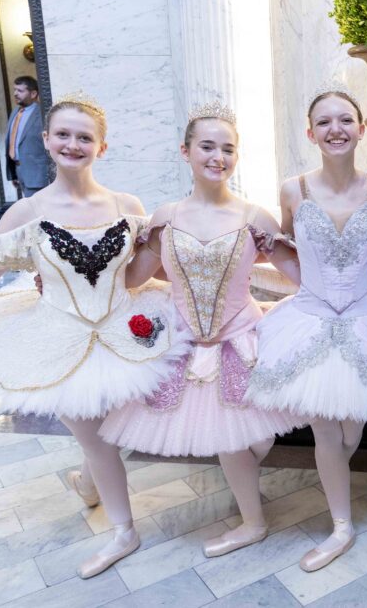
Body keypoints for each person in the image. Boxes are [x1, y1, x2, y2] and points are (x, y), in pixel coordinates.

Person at [0, 93, 188, 579]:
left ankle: (89, 486)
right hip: (58, 339)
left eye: (84, 137)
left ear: (102, 145)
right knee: (99, 441)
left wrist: (161, 242)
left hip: (122, 329)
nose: (73, 144)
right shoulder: (25, 213)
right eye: (63, 135)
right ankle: (124, 531)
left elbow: (134, 277)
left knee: (104, 436)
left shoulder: (126, 204)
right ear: (46, 141)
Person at [98, 103, 305, 558]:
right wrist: (82, 272)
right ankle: (253, 521)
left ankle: (249, 503)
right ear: (186, 151)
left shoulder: (255, 217)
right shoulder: (166, 217)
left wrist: (366, 288)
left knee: (257, 436)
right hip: (190, 346)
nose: (218, 156)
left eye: (227, 148)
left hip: (247, 338)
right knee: (231, 438)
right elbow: (134, 277)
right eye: (207, 146)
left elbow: (300, 274)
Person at [246, 87, 367, 572]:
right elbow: (289, 250)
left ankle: (339, 496)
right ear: (310, 132)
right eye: (324, 122)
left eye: (345, 120)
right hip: (311, 321)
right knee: (327, 431)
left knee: (349, 432)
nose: (335, 130)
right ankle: (341, 525)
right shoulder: (292, 190)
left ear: (361, 128)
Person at [3, 76, 49, 197]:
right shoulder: (16, 112)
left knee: (38, 211)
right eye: (14, 90)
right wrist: (14, 173)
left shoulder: (43, 113)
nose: (15, 94)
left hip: (38, 175)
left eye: (20, 91)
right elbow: (13, 141)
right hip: (20, 171)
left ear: (33, 93)